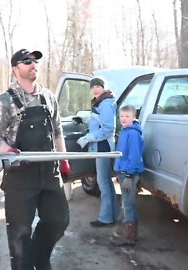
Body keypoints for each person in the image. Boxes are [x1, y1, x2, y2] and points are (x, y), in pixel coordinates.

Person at [0, 48, 71, 270]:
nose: (33, 64)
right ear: (16, 69)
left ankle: (40, 258)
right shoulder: (5, 101)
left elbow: (57, 131)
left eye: (35, 61)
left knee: (58, 220)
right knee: (20, 232)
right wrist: (9, 151)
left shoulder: (49, 97)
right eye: (27, 61)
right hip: (20, 175)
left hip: (49, 172)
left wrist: (63, 159)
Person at [76, 77, 120, 227]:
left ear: (103, 88)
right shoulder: (100, 102)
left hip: (103, 147)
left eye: (98, 86)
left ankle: (106, 218)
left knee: (103, 182)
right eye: (93, 87)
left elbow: (108, 129)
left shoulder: (106, 104)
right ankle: (113, 214)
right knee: (106, 181)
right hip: (100, 146)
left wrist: (89, 137)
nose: (95, 89)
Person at [110, 105, 144, 247]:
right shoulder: (125, 131)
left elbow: (135, 157)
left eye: (127, 116)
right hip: (124, 172)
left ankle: (129, 237)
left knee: (127, 204)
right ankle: (132, 235)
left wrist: (129, 175)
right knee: (129, 204)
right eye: (121, 116)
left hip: (129, 174)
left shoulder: (133, 134)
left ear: (134, 117)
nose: (123, 119)